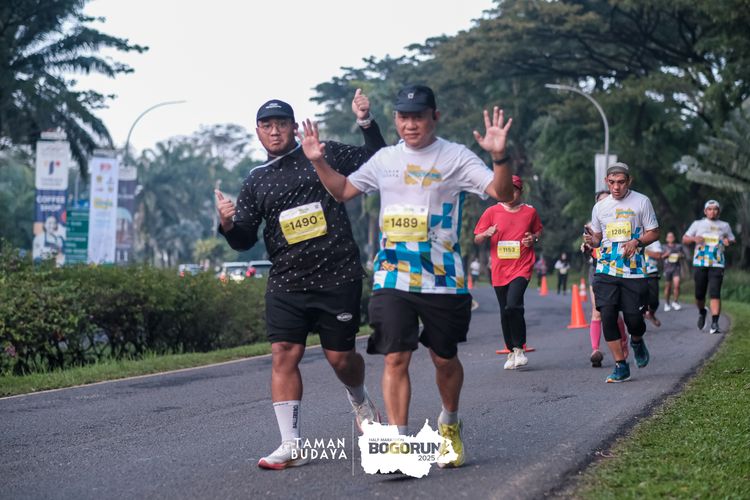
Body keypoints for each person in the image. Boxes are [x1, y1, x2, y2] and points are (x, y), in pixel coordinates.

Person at [300, 84, 514, 468]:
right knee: (395, 356)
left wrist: (500, 156)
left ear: (435, 117)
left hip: (442, 277)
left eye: (418, 117)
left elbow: (500, 192)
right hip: (393, 275)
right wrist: (318, 161)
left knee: (444, 359)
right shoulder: (385, 159)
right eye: (403, 117)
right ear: (395, 118)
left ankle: (450, 422)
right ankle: (398, 443)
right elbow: (343, 190)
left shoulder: (455, 157)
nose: (410, 124)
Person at [215, 90, 385, 470]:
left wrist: (365, 121)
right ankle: (290, 443)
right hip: (287, 281)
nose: (275, 131)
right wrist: (227, 224)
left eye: (281, 124)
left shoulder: (323, 152)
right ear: (258, 132)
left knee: (340, 358)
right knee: (283, 353)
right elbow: (243, 239)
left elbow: (379, 158)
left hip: (337, 274)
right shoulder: (256, 180)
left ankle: (360, 399)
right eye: (267, 125)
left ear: (294, 127)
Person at [583, 162, 660, 383]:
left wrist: (637, 241)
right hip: (606, 269)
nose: (616, 187)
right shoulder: (600, 207)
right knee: (607, 316)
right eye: (612, 182)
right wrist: (591, 241)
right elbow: (598, 239)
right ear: (606, 182)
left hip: (633, 270)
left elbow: (654, 232)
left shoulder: (642, 201)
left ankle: (636, 341)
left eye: (621, 182)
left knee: (634, 320)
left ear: (629, 181)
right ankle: (620, 365)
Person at [474, 175, 542, 369]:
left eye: (514, 190)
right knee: (505, 310)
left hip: (522, 266)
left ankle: (519, 348)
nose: (510, 194)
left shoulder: (530, 212)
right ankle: (510, 351)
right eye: (506, 190)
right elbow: (477, 238)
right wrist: (486, 234)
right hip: (499, 269)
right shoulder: (491, 212)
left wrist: (533, 239)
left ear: (521, 191)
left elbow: (538, 231)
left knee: (513, 305)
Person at [581, 190, 629, 368]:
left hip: (618, 268)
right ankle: (595, 350)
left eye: (607, 200)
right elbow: (589, 245)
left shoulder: (624, 221)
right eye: (600, 201)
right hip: (597, 269)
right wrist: (586, 248)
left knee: (614, 312)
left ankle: (623, 343)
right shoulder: (590, 225)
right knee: (597, 310)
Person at [682, 200, 736, 334]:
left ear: (719, 211)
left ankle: (715, 323)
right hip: (700, 262)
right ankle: (702, 311)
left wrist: (728, 241)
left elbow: (732, 239)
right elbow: (685, 238)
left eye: (715, 209)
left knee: (715, 292)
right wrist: (694, 239)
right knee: (699, 294)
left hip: (717, 263)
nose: (713, 211)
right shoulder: (698, 224)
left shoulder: (725, 225)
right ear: (705, 211)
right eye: (710, 209)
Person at [661, 231, 685, 311]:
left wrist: (680, 255)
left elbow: (683, 255)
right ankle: (667, 303)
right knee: (668, 287)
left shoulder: (678, 246)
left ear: (674, 238)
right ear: (666, 239)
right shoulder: (663, 247)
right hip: (667, 269)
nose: (670, 238)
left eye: (672, 236)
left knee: (677, 285)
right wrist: (666, 254)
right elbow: (660, 256)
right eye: (669, 237)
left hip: (676, 268)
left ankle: (675, 302)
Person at [643, 240, 663, 327]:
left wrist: (642, 249)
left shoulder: (654, 241)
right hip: (635, 273)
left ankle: (651, 314)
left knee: (654, 302)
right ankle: (638, 325)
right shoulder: (632, 237)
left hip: (651, 272)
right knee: (637, 302)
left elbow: (658, 255)